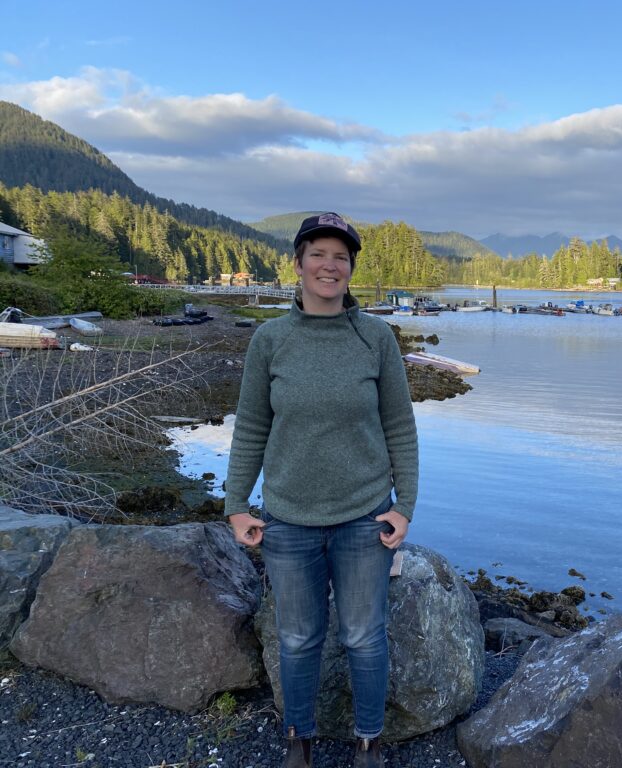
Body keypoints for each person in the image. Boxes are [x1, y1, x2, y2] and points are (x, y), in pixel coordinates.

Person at [224, 212, 418, 768]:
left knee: (364, 637)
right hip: (287, 518)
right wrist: (236, 504)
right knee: (298, 639)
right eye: (318, 254)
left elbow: (400, 427)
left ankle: (368, 741)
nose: (329, 265)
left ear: (351, 269)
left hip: (364, 517)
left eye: (341, 256)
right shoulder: (271, 340)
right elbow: (252, 426)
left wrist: (404, 507)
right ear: (298, 263)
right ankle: (298, 740)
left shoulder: (376, 338)